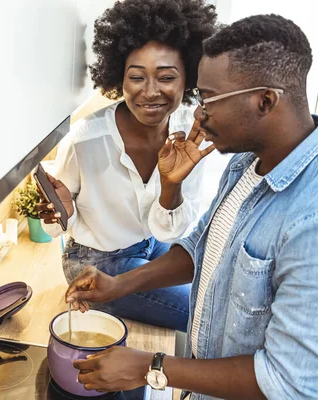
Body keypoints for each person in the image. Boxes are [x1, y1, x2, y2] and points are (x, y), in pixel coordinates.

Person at [65, 14, 318, 399]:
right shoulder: (248, 162)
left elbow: (287, 381)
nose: (198, 114)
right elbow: (202, 246)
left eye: (208, 100)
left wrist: (150, 367)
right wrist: (119, 284)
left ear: (265, 100)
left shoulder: (309, 219)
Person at [36, 0, 217, 332]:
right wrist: (63, 212)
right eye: (136, 77)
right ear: (119, 76)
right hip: (95, 263)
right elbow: (56, 226)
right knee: (206, 313)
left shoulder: (189, 137)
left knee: (217, 288)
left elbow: (170, 230)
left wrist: (171, 186)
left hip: (151, 243)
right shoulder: (85, 140)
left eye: (166, 77)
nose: (150, 92)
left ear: (187, 78)